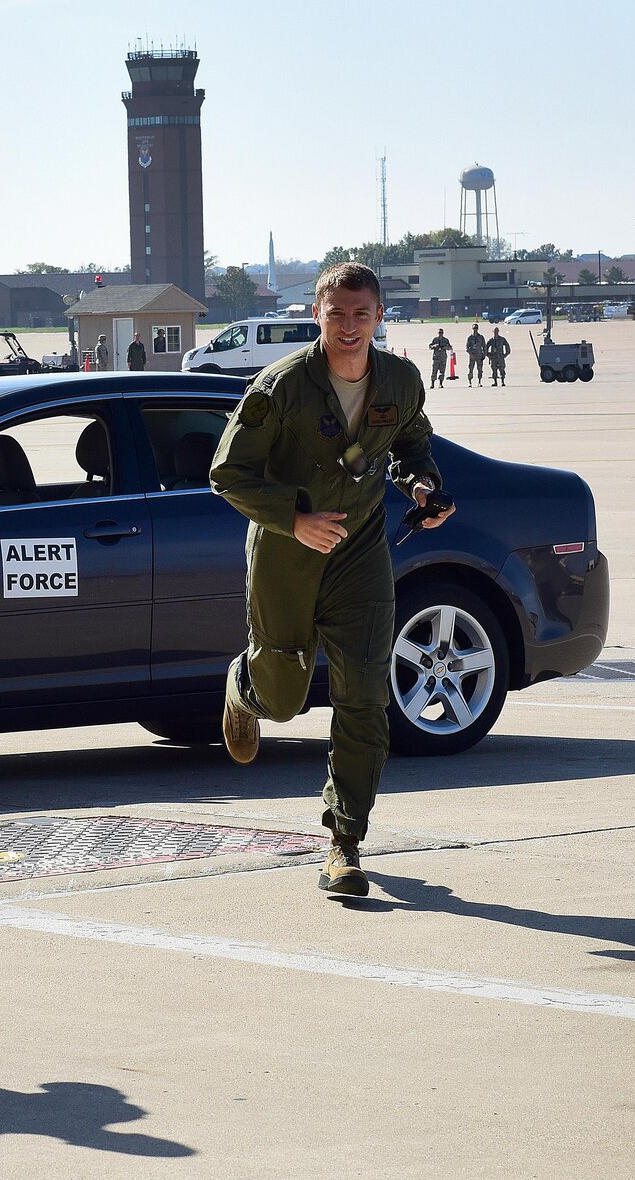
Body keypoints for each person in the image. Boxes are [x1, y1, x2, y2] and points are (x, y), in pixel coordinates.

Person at [210, 261, 454, 897]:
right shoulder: (281, 387)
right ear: (317, 315)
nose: (350, 326)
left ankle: (343, 843)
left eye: (362, 314)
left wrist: (423, 486)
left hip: (360, 554)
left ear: (379, 317)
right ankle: (245, 686)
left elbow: (413, 446)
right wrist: (295, 520)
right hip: (287, 554)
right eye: (337, 313)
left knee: (365, 696)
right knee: (286, 697)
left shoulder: (399, 380)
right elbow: (228, 473)